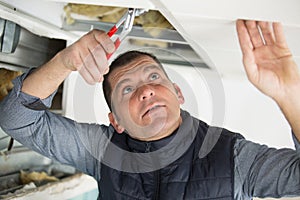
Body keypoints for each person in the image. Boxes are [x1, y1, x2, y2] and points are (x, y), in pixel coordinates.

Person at [0, 19, 300, 200]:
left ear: (178, 93)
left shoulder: (233, 156)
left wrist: (290, 94)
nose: (146, 90)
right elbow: (18, 119)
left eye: (154, 77)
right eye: (127, 89)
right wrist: (65, 62)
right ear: (116, 121)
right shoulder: (102, 150)